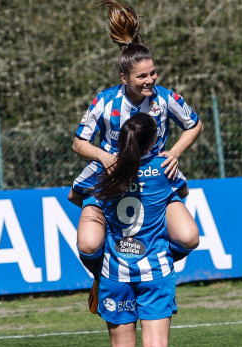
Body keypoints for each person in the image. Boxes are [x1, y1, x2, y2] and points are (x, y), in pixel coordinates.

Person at [69, 0, 203, 301]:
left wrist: (176, 151)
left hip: (153, 176)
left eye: (153, 73)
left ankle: (153, 265)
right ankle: (101, 276)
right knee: (89, 245)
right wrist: (103, 156)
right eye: (142, 76)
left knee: (188, 237)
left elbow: (195, 125)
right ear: (124, 78)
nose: (150, 80)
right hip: (111, 175)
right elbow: (78, 142)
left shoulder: (165, 98)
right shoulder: (105, 101)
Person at [92, 112, 182, 347]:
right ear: (154, 139)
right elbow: (181, 200)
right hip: (155, 271)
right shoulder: (164, 170)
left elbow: (79, 197)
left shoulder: (105, 171)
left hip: (115, 273)